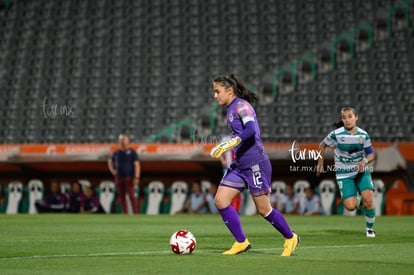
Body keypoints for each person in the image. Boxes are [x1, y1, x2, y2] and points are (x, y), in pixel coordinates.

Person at [210, 74, 299, 256]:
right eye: (214, 92)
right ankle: (241, 242)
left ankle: (291, 237)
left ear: (229, 91)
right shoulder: (230, 108)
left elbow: (251, 130)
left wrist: (232, 142)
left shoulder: (242, 106)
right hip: (240, 165)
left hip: (255, 164)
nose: (215, 95)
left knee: (264, 210)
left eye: (217, 91)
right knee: (220, 200)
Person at [317, 106, 376, 237]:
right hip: (343, 173)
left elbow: (371, 155)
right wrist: (320, 163)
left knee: (369, 201)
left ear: (356, 118)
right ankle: (357, 196)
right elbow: (322, 145)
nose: (347, 120)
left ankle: (369, 229)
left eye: (350, 116)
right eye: (344, 117)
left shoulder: (363, 135)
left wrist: (364, 161)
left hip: (361, 171)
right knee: (350, 207)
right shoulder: (336, 134)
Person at [108, 134, 140, 214]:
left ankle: (135, 212)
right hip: (119, 177)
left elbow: (137, 165)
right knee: (121, 196)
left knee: (132, 196)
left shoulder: (132, 152)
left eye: (124, 140)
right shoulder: (116, 153)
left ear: (128, 141)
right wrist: (112, 170)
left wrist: (136, 177)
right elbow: (110, 162)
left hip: (129, 177)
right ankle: (125, 212)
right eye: (121, 140)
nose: (123, 141)